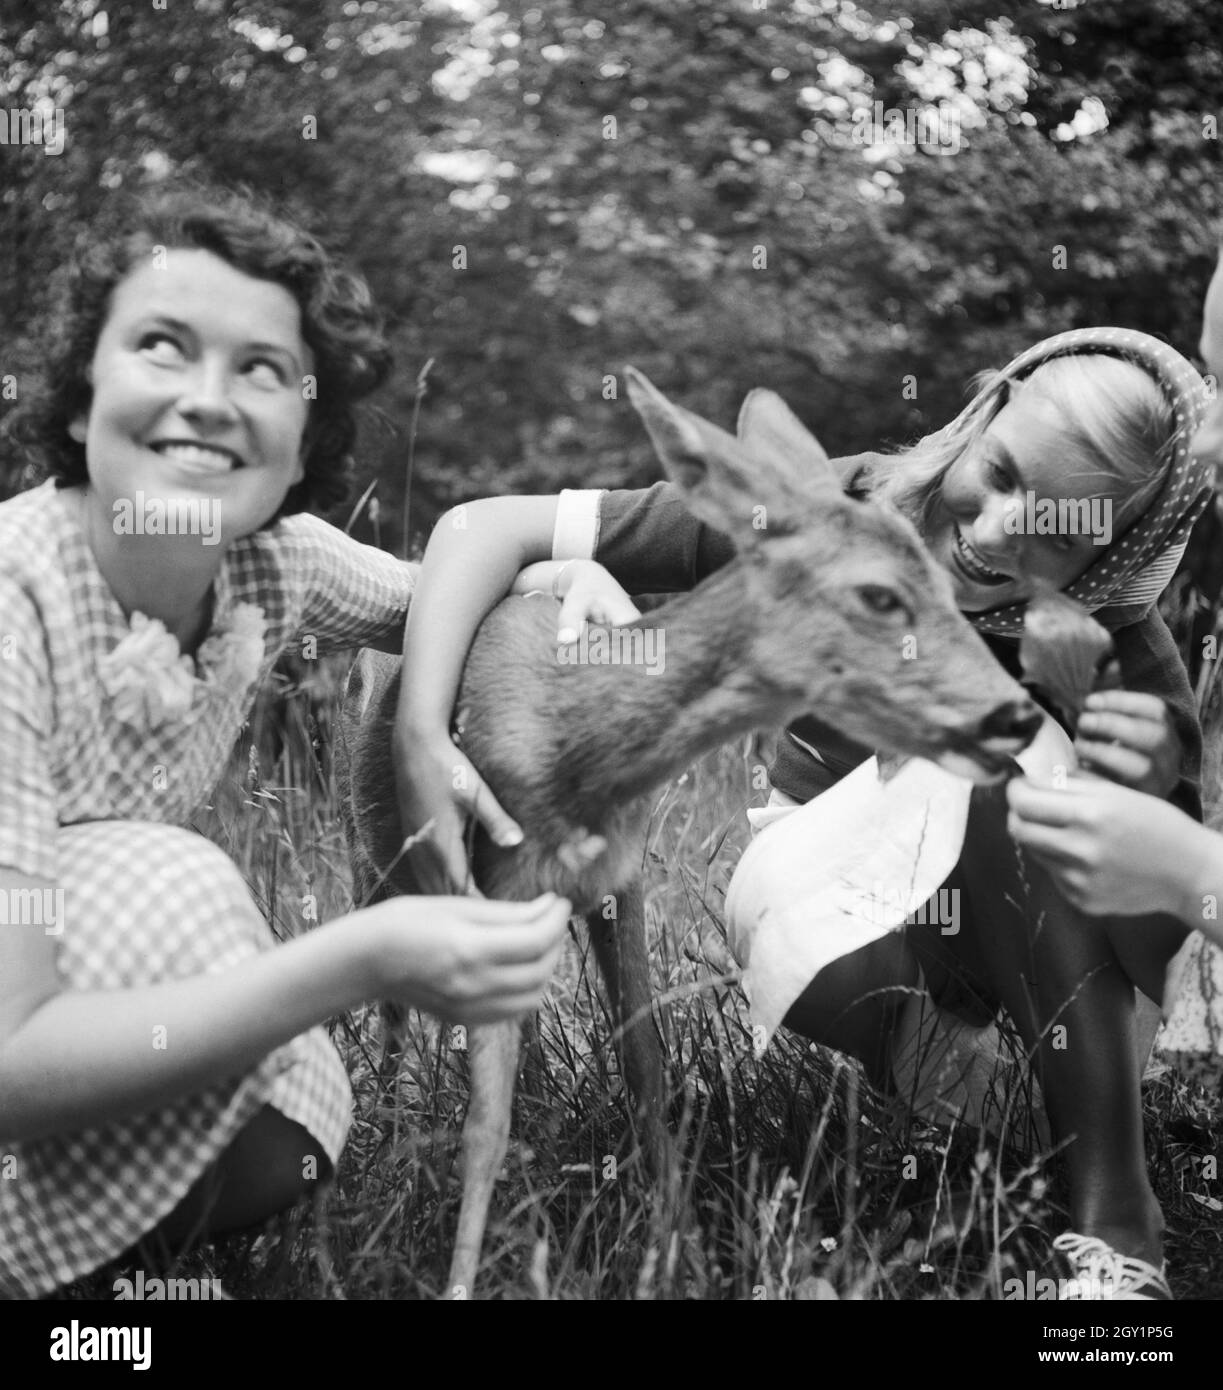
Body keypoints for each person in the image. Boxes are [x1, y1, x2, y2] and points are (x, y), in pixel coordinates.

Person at [395, 327, 1212, 1300]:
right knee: (820, 874)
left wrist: (1147, 771)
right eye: (997, 475)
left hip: (1065, 996)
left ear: (1112, 552)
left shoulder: (1108, 630)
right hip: (875, 959)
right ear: (982, 412)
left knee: (1018, 763)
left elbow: (1168, 908)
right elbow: (481, 526)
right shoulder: (830, 512)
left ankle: (1114, 1219)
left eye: (1061, 528)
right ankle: (1003, 1112)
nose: (996, 533)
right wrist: (420, 735)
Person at [0, 185, 570, 1300]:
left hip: (71, 968)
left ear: (303, 432)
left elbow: (452, 585)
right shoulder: (15, 597)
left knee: (291, 1117)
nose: (210, 400)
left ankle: (102, 1290)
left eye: (261, 369)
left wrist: (564, 570)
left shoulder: (275, 560)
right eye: (163, 346)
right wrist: (360, 957)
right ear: (78, 402)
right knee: (170, 883)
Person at [1007, 249, 1223, 1098]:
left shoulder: (1126, 653)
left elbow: (1170, 966)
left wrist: (1185, 869)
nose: (1200, 441)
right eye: (1211, 375)